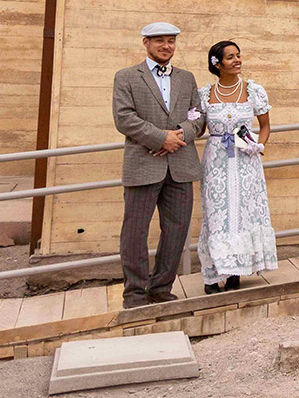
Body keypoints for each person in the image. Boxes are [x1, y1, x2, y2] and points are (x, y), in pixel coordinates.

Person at [112, 21, 208, 308]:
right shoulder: (127, 77)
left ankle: (160, 287)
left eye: (171, 41)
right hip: (143, 164)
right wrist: (159, 139)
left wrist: (179, 135)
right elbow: (124, 118)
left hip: (181, 165)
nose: (167, 46)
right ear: (146, 43)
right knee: (135, 231)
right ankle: (135, 293)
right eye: (160, 41)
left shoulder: (186, 78)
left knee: (177, 230)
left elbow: (198, 117)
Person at [196, 40, 278, 293]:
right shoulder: (204, 94)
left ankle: (236, 273)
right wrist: (191, 118)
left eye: (238, 55)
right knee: (217, 215)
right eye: (230, 57)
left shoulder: (254, 90)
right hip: (216, 161)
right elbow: (199, 130)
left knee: (244, 215)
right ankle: (212, 274)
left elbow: (264, 126)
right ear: (217, 64)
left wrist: (259, 146)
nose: (237, 60)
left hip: (246, 160)